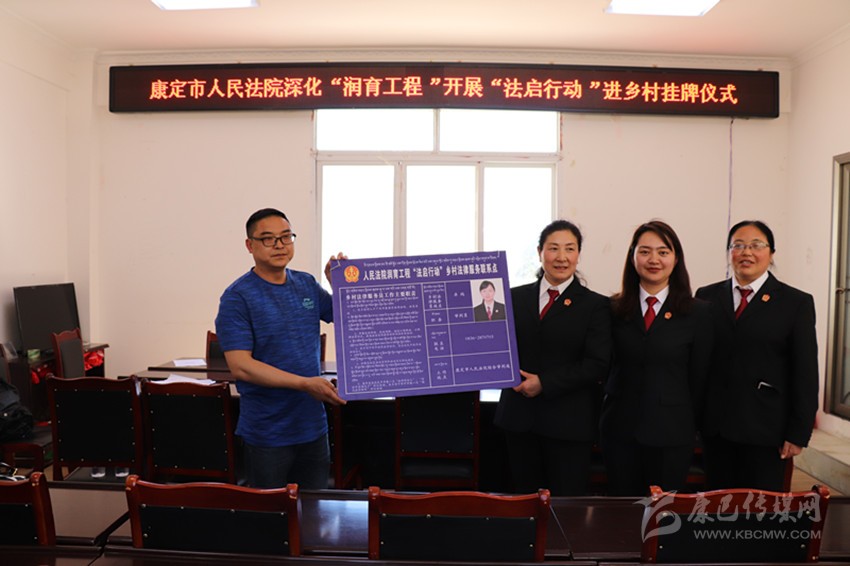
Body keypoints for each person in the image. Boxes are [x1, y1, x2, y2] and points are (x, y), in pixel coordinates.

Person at [215, 207, 346, 489]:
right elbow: (241, 367)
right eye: (268, 239)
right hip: (268, 431)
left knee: (315, 508)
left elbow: (348, 317)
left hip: (312, 426)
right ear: (250, 245)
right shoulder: (237, 298)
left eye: (286, 237)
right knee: (271, 512)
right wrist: (304, 383)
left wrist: (340, 285)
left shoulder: (306, 284)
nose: (279, 245)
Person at [696, 220, 818, 492]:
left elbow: (805, 372)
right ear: (729, 252)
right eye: (738, 245)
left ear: (771, 253)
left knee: (761, 509)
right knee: (717, 506)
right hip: (716, 428)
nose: (746, 252)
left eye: (756, 245)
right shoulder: (706, 297)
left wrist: (798, 432)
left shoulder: (795, 302)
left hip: (766, 429)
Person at [494, 220, 611, 495]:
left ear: (578, 254)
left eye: (570, 249)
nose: (561, 257)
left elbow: (597, 364)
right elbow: (492, 346)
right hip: (519, 420)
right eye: (553, 248)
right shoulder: (511, 298)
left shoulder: (596, 305)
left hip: (568, 424)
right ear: (540, 252)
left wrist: (544, 383)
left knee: (565, 507)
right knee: (522, 503)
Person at [600, 220, 713, 495]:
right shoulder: (612, 309)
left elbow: (700, 377)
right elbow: (603, 367)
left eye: (663, 252)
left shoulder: (698, 313)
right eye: (645, 251)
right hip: (619, 431)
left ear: (676, 259)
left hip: (672, 433)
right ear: (633, 257)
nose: (654, 260)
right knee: (622, 512)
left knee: (664, 514)